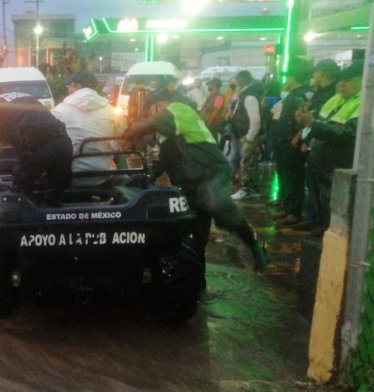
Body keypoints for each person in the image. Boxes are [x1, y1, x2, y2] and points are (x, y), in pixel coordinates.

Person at [124, 94, 269, 272]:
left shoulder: (179, 109)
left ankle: (255, 245)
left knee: (219, 207)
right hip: (190, 181)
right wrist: (147, 177)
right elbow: (164, 159)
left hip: (211, 171)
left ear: (160, 104)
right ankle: (199, 278)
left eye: (151, 111)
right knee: (196, 232)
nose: (151, 116)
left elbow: (152, 123)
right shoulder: (167, 130)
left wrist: (131, 130)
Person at [0, 78, 73, 206]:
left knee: (19, 193)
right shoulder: (23, 97)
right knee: (54, 195)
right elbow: (4, 139)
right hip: (64, 143)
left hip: (38, 146)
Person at [294, 61, 362, 233]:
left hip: (337, 167)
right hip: (319, 164)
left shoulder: (363, 103)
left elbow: (346, 134)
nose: (342, 85)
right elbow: (318, 119)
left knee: (334, 212)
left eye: (349, 80)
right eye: (341, 81)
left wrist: (311, 122)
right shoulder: (335, 99)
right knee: (320, 205)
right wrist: (307, 138)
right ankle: (319, 231)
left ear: (364, 79)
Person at [289, 58, 340, 232]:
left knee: (323, 190)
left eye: (316, 72)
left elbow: (320, 122)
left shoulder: (331, 95)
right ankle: (311, 219)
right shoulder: (320, 92)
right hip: (315, 143)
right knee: (312, 184)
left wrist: (303, 137)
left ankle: (321, 224)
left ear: (322, 73)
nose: (313, 76)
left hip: (327, 148)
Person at [51, 71, 127, 186]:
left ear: (77, 86)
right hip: (103, 174)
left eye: (70, 85)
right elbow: (122, 139)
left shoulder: (59, 111)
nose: (68, 89)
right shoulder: (111, 111)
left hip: (70, 174)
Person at [272, 66, 313, 226]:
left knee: (294, 177)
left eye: (288, 77)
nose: (286, 80)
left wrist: (297, 139)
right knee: (285, 175)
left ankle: (294, 211)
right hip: (284, 140)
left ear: (294, 78)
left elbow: (303, 120)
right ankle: (288, 207)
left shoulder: (300, 95)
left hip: (291, 141)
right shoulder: (293, 95)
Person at [228, 70, 265, 200]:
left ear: (242, 80)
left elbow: (255, 120)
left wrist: (249, 137)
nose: (235, 82)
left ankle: (246, 189)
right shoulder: (245, 95)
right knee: (250, 163)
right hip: (243, 134)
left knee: (247, 164)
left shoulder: (249, 97)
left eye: (237, 79)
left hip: (249, 136)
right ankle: (253, 189)